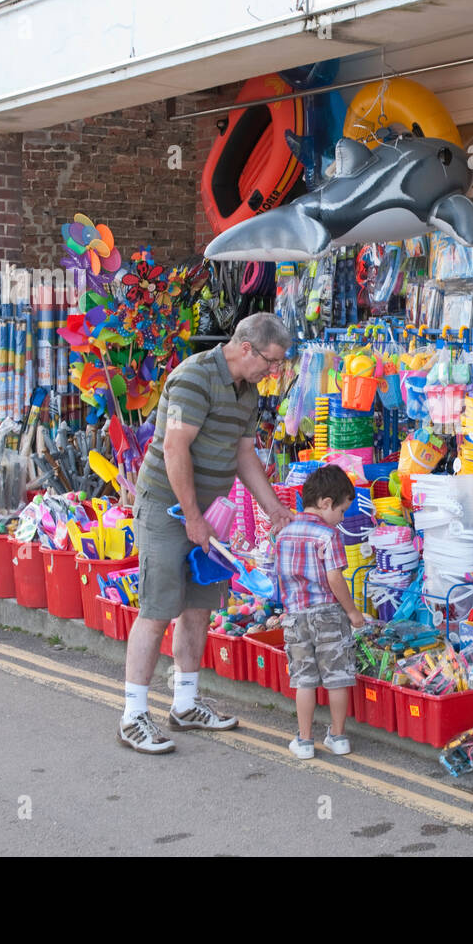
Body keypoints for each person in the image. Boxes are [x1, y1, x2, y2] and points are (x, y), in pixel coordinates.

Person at [118, 313, 294, 755]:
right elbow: (175, 448)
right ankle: (133, 715)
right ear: (247, 348)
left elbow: (243, 454)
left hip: (210, 512)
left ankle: (185, 704)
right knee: (157, 609)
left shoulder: (247, 391)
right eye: (271, 361)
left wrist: (273, 509)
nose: (273, 372)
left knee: (198, 609)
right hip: (167, 507)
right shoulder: (194, 376)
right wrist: (193, 518)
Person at [274, 464, 366, 759]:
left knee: (304, 679)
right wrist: (352, 612)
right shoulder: (328, 536)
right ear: (326, 504)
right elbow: (334, 578)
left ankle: (303, 741)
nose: (341, 519)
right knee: (338, 677)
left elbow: (278, 577)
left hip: (295, 616)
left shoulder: (284, 534)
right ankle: (338, 737)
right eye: (341, 512)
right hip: (328, 614)